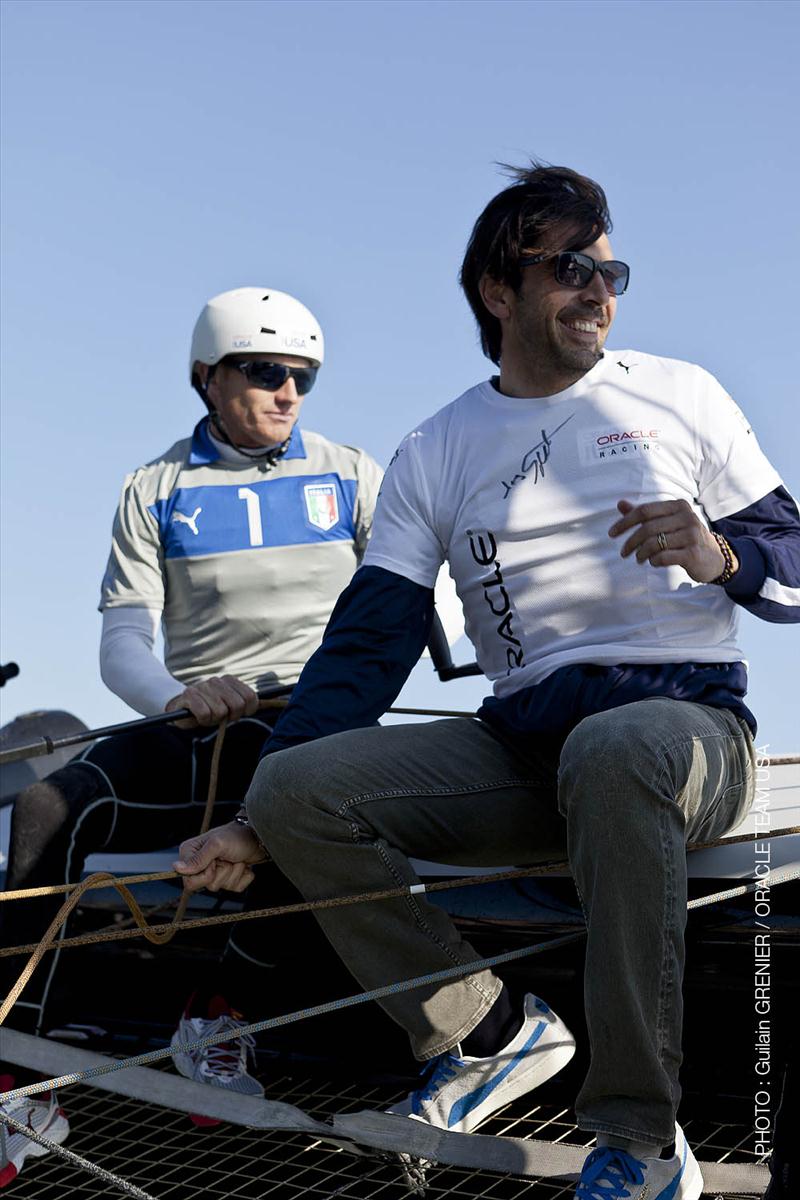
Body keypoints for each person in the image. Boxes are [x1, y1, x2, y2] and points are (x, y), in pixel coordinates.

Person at [176, 165, 800, 1200]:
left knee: (614, 751)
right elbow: (368, 643)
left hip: (687, 730)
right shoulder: (436, 447)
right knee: (292, 790)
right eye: (567, 268)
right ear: (494, 291)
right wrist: (256, 819)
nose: (596, 289)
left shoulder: (681, 394)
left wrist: (720, 555)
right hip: (523, 746)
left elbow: (794, 565)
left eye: (609, 270)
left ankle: (636, 1140)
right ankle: (488, 1031)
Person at [0, 286, 384, 1183]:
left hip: (308, 721)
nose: (289, 391)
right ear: (208, 377)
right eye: (267, 372)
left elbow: (416, 609)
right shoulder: (154, 488)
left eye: (304, 376)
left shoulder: (355, 475)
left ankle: (217, 1015)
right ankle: (22, 1073)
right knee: (54, 803)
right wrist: (179, 694)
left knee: (289, 806)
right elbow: (123, 639)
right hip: (193, 719)